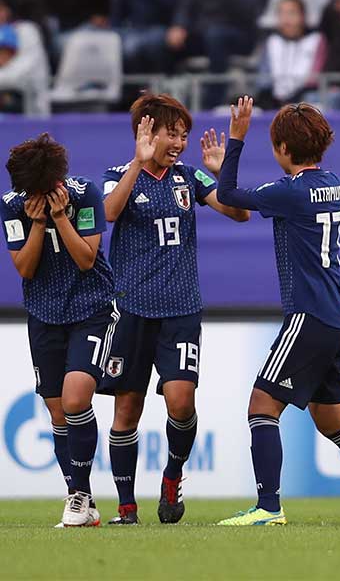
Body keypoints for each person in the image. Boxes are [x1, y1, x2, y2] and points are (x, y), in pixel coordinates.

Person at [215, 98, 340, 526]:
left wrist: (235, 140)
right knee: (332, 422)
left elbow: (232, 196)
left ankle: (268, 507)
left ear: (283, 148)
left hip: (307, 316)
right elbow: (258, 197)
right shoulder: (331, 182)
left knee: (261, 406)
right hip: (334, 317)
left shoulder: (289, 191)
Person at [99, 93, 250, 525]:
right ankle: (126, 507)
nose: (179, 143)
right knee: (126, 409)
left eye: (183, 135)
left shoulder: (190, 177)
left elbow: (239, 214)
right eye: (172, 134)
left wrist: (225, 175)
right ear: (147, 132)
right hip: (131, 309)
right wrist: (136, 161)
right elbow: (108, 213)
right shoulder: (117, 176)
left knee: (181, 401)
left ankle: (172, 476)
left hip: (181, 308)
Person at [0, 134, 115, 527]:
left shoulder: (85, 194)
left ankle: (78, 497)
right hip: (44, 314)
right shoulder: (13, 206)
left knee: (76, 397)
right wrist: (36, 223)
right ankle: (80, 495)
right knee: (57, 411)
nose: (37, 195)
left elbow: (86, 259)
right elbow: (25, 269)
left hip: (92, 309)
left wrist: (61, 217)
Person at [256, 0, 326, 109]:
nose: (286, 19)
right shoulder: (271, 42)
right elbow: (264, 79)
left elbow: (315, 78)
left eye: (292, 13)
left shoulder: (316, 40)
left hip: (305, 100)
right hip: (274, 102)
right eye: (282, 14)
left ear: (303, 16)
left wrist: (294, 100)